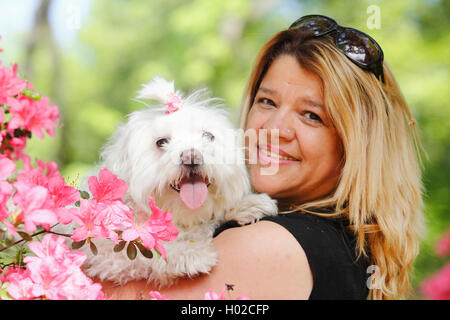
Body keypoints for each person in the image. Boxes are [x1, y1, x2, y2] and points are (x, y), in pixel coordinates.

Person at [98, 15, 425, 300]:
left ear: (357, 147)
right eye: (267, 102)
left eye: (311, 115)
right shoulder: (341, 246)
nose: (274, 128)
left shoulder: (271, 246)